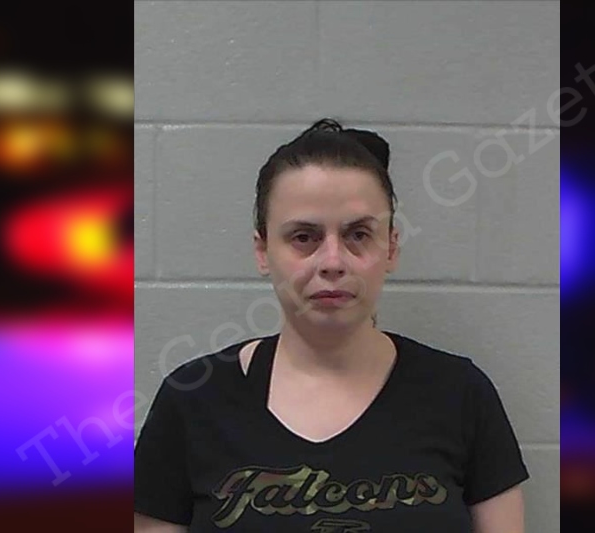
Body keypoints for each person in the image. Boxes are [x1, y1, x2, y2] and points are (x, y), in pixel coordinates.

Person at [134, 118, 529, 532]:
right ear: (263, 251)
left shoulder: (460, 394)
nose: (333, 262)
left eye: (358, 234)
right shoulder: (194, 400)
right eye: (304, 237)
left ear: (391, 248)